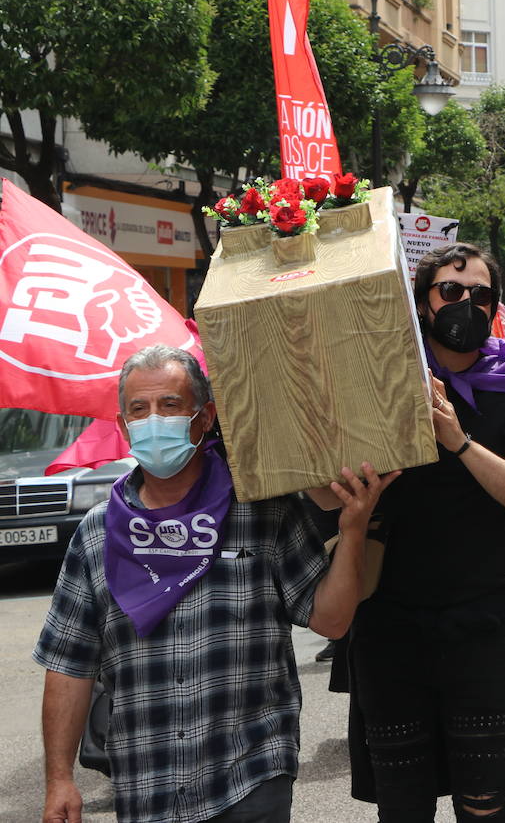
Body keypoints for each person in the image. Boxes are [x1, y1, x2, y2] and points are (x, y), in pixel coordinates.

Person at [35, 345, 397, 823]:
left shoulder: (262, 510)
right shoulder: (98, 533)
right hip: (147, 786)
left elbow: (331, 620)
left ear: (204, 417)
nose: (153, 421)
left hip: (251, 777)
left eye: (169, 405)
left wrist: (352, 531)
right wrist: (59, 778)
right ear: (123, 428)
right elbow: (69, 663)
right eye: (138, 410)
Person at [346, 242, 505, 821]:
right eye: (451, 291)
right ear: (421, 303)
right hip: (388, 618)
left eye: (481, 295)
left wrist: (458, 441)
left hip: (480, 616)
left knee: (484, 801)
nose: (467, 302)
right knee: (403, 803)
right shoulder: (381, 377)